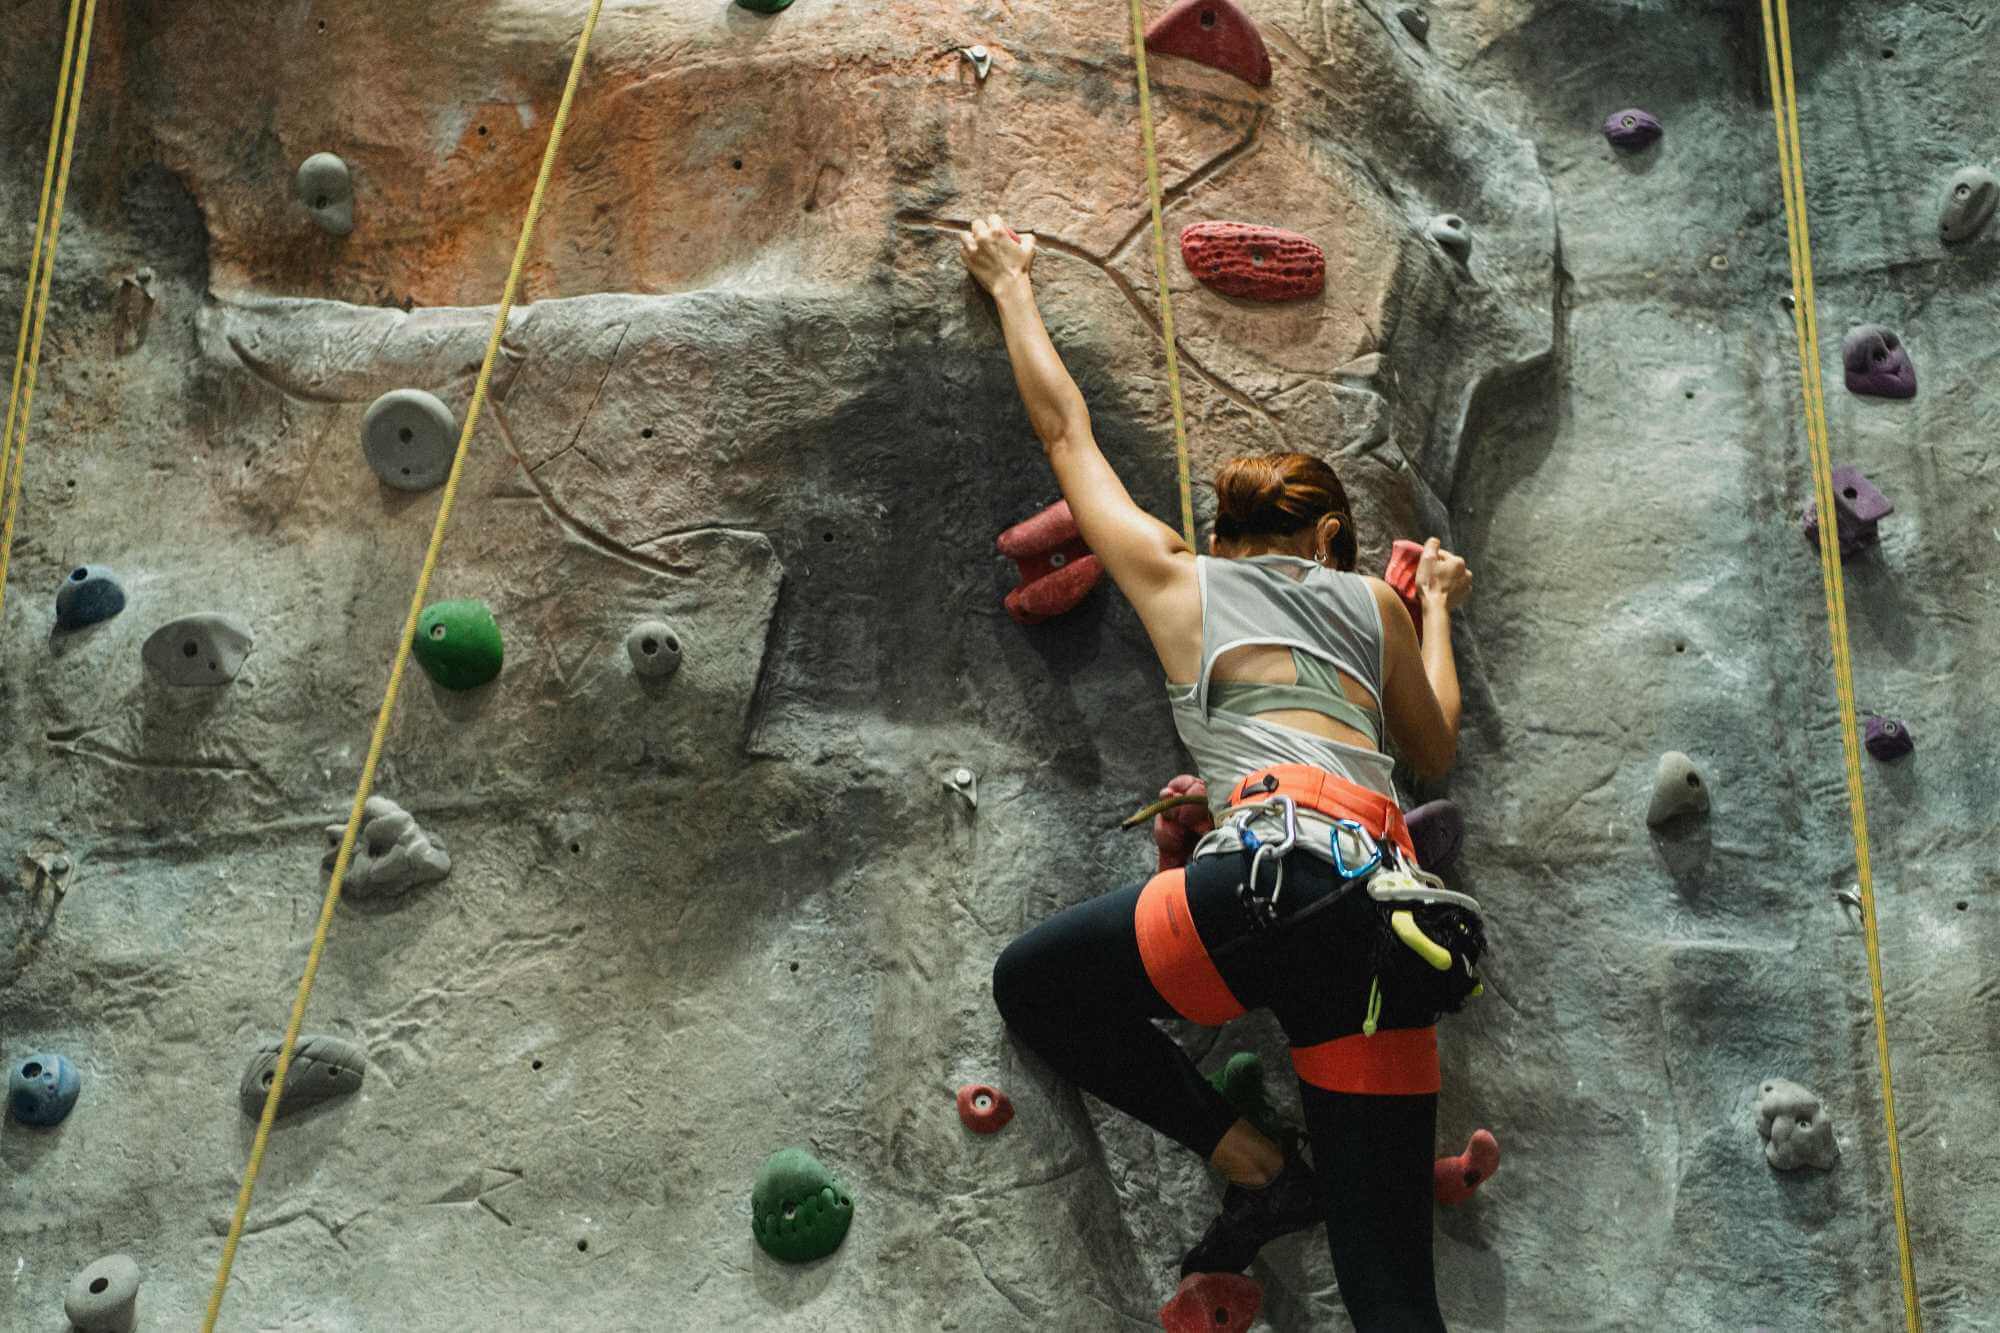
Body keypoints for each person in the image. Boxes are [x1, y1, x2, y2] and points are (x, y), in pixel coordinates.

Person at [963, 215, 1481, 1333]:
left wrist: (1010, 283)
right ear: (1333, 538)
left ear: (1225, 533)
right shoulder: (1373, 603)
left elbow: (1065, 434)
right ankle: (1277, 1173)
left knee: (1037, 984)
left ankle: (1249, 1157)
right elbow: (1432, 744)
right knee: (1393, 1294)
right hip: (1391, 926)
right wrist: (1434, 606)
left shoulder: (1177, 580)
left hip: (1261, 883)